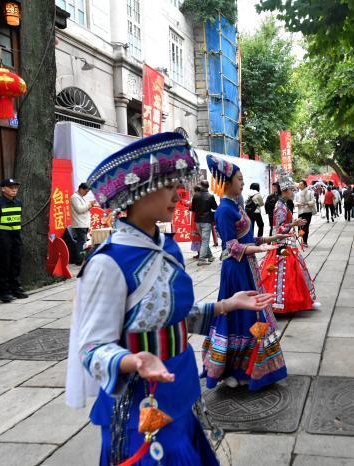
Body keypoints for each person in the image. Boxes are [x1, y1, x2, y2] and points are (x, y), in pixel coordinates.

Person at [65, 132, 275, 466]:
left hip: (182, 383)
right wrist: (130, 361)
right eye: (168, 186)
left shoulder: (168, 248)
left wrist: (227, 305)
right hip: (141, 399)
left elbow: (174, 316)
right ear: (137, 193)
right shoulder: (108, 262)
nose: (179, 195)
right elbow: (91, 347)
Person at [202, 155, 288, 390]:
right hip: (235, 269)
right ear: (227, 182)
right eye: (239, 179)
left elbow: (248, 239)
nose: (242, 182)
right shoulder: (224, 211)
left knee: (251, 314)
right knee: (239, 316)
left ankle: (250, 368)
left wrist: (272, 238)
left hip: (247, 267)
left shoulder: (236, 206)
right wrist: (258, 248)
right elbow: (230, 246)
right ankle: (234, 368)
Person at [260, 170, 320, 313]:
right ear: (285, 191)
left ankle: (294, 300)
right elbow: (279, 229)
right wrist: (293, 224)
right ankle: (283, 302)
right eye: (292, 190)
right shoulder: (280, 206)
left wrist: (293, 223)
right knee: (283, 273)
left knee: (290, 272)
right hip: (282, 244)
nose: (293, 192)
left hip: (286, 243)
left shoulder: (282, 204)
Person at [0, 178, 27, 302]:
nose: (14, 189)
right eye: (11, 187)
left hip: (16, 238)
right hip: (2, 239)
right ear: (3, 189)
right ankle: (3, 292)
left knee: (15, 263)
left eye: (16, 187)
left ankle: (15, 289)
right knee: (3, 265)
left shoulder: (18, 202)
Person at [191, 181, 218, 264]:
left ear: (201, 186)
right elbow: (215, 207)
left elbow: (193, 208)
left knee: (204, 239)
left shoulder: (195, 195)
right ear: (208, 186)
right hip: (206, 220)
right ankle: (202, 259)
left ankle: (210, 256)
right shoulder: (210, 196)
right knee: (205, 240)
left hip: (198, 220)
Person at [70, 183, 93, 265]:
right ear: (81, 189)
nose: (86, 193)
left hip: (83, 224)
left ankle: (81, 260)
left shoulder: (80, 197)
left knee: (82, 243)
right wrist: (89, 205)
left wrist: (89, 205)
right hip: (79, 224)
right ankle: (79, 261)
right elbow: (79, 209)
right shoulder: (74, 197)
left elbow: (84, 209)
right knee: (81, 243)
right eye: (86, 191)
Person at [295, 180, 316, 247]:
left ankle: (305, 241)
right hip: (300, 212)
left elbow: (313, 201)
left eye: (301, 184)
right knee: (300, 227)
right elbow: (294, 202)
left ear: (305, 185)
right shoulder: (297, 194)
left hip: (307, 212)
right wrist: (298, 204)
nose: (299, 186)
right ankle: (302, 237)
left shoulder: (310, 192)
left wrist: (307, 203)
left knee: (306, 227)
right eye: (299, 184)